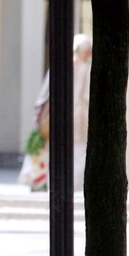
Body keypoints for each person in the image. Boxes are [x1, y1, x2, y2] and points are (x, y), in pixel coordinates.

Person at [30, 33, 92, 192]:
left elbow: (45, 93)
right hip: (79, 117)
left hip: (58, 115)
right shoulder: (86, 69)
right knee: (78, 150)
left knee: (58, 149)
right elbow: (86, 96)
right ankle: (74, 185)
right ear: (86, 52)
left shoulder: (60, 66)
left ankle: (55, 183)